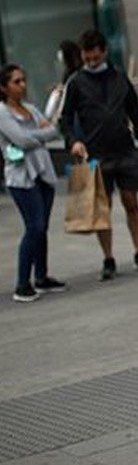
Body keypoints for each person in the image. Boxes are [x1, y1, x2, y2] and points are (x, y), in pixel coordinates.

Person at [59, 29, 138, 280]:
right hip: (95, 152)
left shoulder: (119, 78)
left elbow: (135, 112)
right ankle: (108, 257)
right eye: (87, 58)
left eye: (95, 57)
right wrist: (73, 141)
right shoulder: (76, 83)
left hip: (123, 148)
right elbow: (65, 119)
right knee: (102, 207)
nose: (91, 62)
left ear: (103, 52)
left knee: (131, 201)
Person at [2, 64, 66, 303]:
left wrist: (38, 135)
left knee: (42, 227)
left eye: (23, 80)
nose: (22, 85)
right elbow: (21, 139)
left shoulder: (29, 108)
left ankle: (41, 276)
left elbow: (54, 131)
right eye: (16, 82)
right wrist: (40, 134)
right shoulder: (2, 112)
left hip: (42, 173)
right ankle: (22, 284)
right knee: (34, 226)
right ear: (4, 87)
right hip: (21, 177)